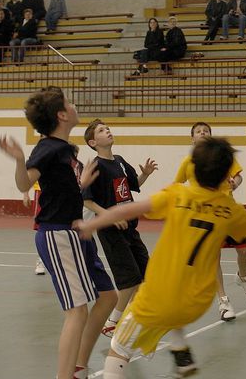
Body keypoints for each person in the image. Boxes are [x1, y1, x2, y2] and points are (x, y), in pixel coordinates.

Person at [79, 136, 246, 379]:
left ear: (192, 166)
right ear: (227, 174)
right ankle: (180, 349)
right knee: (176, 301)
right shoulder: (231, 210)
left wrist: (95, 222)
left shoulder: (177, 195)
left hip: (159, 298)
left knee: (118, 350)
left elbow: (130, 208)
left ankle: (168, 350)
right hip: (197, 304)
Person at [0, 87, 116, 379]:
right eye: (69, 102)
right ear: (62, 115)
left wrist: (80, 183)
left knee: (108, 296)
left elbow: (60, 190)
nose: (74, 105)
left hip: (77, 232)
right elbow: (25, 184)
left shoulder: (65, 150)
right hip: (58, 234)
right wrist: (18, 160)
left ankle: (78, 365)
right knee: (76, 311)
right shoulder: (48, 147)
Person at [173, 122, 246, 322]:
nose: (202, 133)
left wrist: (234, 184)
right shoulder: (188, 162)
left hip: (227, 212)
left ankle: (243, 276)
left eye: (206, 131)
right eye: (198, 131)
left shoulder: (222, 157)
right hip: (205, 219)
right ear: (192, 138)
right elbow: (177, 185)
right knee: (214, 259)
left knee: (244, 250)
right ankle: (224, 301)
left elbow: (238, 178)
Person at [81, 120, 158, 338]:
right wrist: (110, 216)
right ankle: (112, 322)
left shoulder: (120, 162)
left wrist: (146, 174)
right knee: (129, 279)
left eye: (108, 128)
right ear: (93, 142)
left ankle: (135, 321)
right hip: (110, 230)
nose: (108, 131)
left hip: (130, 229)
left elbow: (133, 186)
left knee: (145, 275)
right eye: (102, 130)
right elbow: (87, 201)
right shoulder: (95, 166)